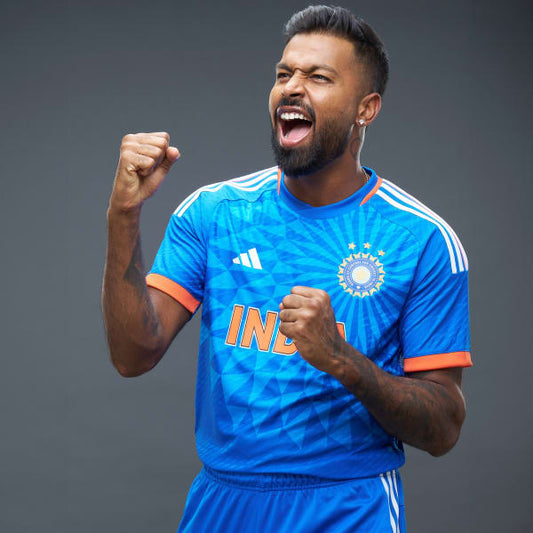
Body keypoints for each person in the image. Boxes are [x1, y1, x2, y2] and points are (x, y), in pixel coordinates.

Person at [102, 5, 472, 532]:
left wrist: (342, 359)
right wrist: (124, 215)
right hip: (222, 504)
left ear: (366, 109)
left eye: (318, 77)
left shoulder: (423, 240)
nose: (292, 88)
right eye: (284, 74)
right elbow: (132, 356)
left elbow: (443, 428)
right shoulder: (215, 212)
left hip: (346, 508)